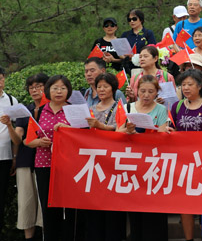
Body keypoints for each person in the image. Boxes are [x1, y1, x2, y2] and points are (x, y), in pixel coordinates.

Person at [118, 75, 170, 241]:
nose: (146, 95)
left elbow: (163, 135)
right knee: (135, 207)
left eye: (151, 91)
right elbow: (117, 132)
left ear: (156, 92)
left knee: (154, 208)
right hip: (132, 164)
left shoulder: (161, 110)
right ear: (136, 91)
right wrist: (128, 131)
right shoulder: (128, 107)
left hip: (153, 164)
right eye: (142, 91)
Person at [171, 69, 202, 241]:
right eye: (183, 85)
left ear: (199, 86)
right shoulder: (176, 107)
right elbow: (172, 129)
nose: (185, 88)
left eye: (190, 84)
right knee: (185, 204)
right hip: (183, 163)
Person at [27, 75, 76, 241]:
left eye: (63, 88)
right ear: (48, 90)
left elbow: (85, 137)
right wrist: (40, 142)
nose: (59, 91)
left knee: (68, 208)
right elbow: (28, 140)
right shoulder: (38, 111)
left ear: (68, 91)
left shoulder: (74, 110)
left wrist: (68, 130)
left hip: (69, 166)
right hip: (44, 164)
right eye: (55, 88)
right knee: (48, 208)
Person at [0, 73, 46, 241]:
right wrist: (9, 126)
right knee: (26, 202)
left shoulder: (52, 109)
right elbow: (18, 139)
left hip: (46, 161)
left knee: (43, 202)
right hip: (25, 160)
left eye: (38, 86)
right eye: (31, 87)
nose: (34, 90)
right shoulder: (24, 111)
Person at [82, 72, 126, 240]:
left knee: (113, 203)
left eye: (105, 86)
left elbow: (120, 130)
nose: (101, 89)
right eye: (99, 86)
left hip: (113, 161)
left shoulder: (120, 107)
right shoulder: (90, 109)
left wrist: (100, 126)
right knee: (95, 202)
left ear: (113, 89)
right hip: (94, 161)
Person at [0, 67, 18, 231]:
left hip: (4, 157)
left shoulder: (12, 101)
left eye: (0, 78)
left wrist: (14, 156)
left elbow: (18, 130)